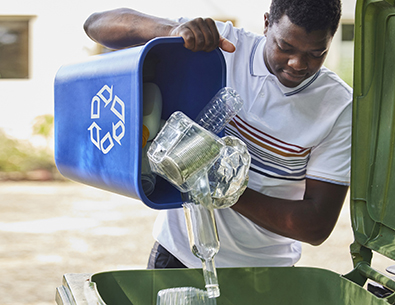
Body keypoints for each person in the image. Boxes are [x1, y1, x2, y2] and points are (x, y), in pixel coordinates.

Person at [84, 0, 352, 268]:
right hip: (179, 255)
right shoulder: (220, 46)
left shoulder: (337, 106)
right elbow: (96, 25)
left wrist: (226, 189)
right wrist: (172, 30)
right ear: (267, 23)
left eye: (316, 53)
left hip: (267, 271)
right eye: (285, 47)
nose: (297, 64)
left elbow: (315, 226)